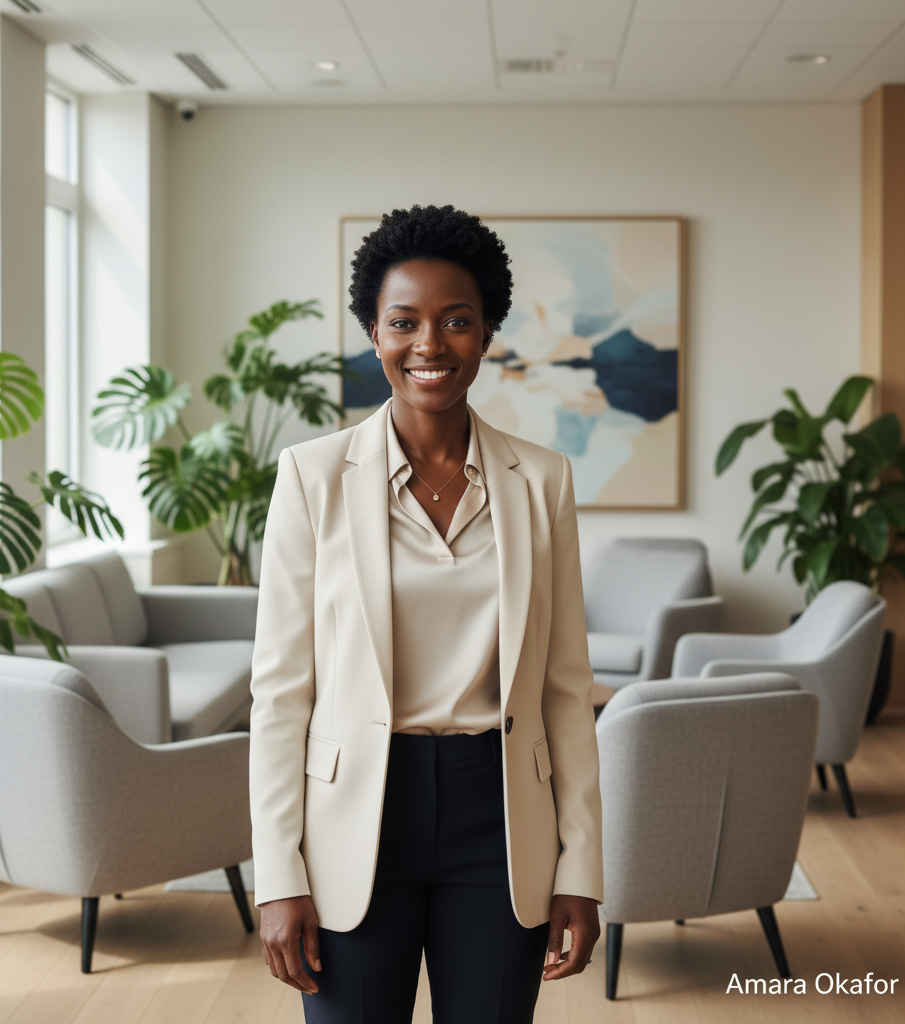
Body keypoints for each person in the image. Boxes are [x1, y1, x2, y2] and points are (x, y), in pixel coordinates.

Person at [249, 204, 603, 1024]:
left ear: (487, 334)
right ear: (373, 333)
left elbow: (564, 689)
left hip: (503, 814)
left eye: (457, 322)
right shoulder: (311, 477)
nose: (430, 346)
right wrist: (280, 875)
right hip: (356, 819)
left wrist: (580, 866)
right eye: (404, 322)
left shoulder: (542, 480)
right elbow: (281, 697)